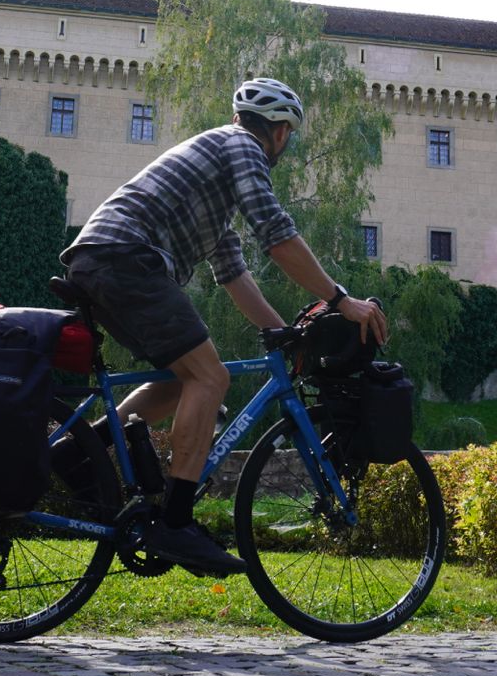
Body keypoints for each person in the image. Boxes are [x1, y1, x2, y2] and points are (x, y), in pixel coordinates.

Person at [61, 78, 389, 576]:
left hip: (104, 259)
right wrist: (341, 301)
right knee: (210, 378)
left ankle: (73, 454)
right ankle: (174, 523)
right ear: (280, 132)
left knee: (179, 379)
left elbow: (232, 273)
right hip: (127, 258)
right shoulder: (242, 147)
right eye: (288, 136)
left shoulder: (216, 172)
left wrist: (285, 333)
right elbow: (277, 236)